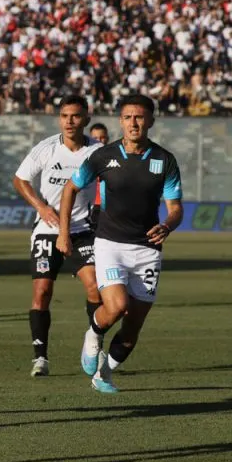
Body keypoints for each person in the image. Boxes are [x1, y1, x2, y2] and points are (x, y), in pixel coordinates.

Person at [57, 94, 184, 393]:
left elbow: (176, 208)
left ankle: (104, 373)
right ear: (120, 121)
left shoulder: (164, 160)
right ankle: (93, 334)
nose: (133, 123)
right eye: (128, 117)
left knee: (133, 327)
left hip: (148, 250)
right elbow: (70, 189)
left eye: (140, 117)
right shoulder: (102, 156)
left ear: (151, 121)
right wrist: (63, 233)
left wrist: (167, 225)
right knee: (116, 307)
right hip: (110, 244)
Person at [12, 96, 102, 378]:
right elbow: (20, 179)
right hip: (47, 231)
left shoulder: (97, 152)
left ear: (86, 119)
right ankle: (40, 358)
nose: (69, 121)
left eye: (75, 116)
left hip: (82, 230)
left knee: (96, 287)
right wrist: (41, 206)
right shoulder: (47, 148)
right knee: (42, 292)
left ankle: (95, 346)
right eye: (64, 116)